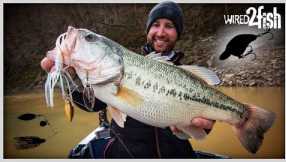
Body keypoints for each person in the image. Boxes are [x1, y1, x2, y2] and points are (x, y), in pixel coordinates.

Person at [40, 1, 215, 158]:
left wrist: (203, 125)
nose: (161, 32)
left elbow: (201, 130)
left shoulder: (192, 78)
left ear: (178, 33)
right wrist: (72, 81)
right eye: (155, 25)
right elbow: (93, 104)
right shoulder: (117, 66)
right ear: (148, 30)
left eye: (169, 26)